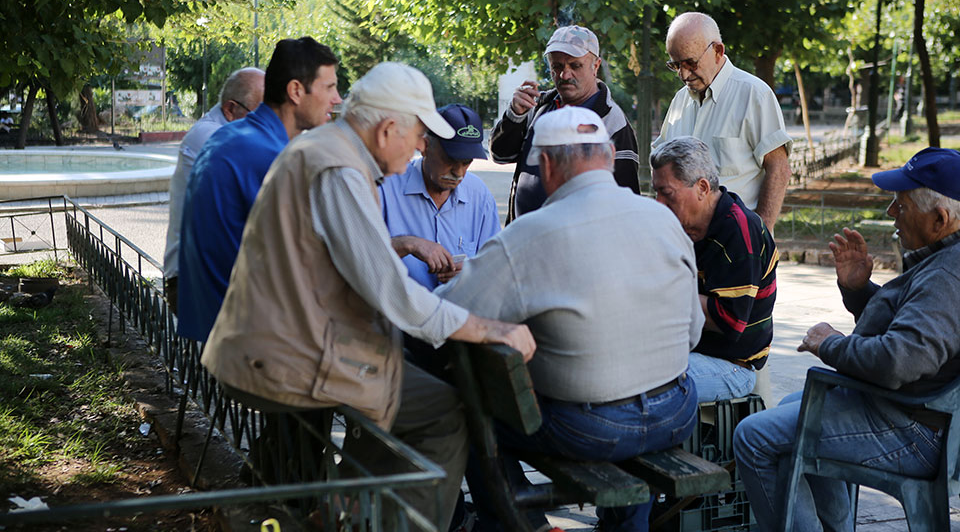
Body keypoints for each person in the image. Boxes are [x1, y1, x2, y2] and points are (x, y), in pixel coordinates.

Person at [200, 62, 536, 532]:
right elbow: (394, 294)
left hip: (282, 343)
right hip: (284, 355)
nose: (421, 147)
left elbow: (357, 266)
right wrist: (491, 329)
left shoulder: (330, 152)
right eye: (419, 135)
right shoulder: (339, 167)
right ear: (388, 129)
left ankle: (344, 513)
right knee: (443, 413)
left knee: (401, 385)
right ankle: (363, 516)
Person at [437, 106, 702, 532]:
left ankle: (520, 524)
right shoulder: (664, 221)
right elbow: (692, 334)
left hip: (589, 428)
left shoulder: (530, 234)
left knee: (467, 405)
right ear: (611, 156)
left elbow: (445, 311)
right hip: (676, 414)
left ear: (544, 165)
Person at [733, 147, 960, 531]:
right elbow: (916, 333)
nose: (891, 215)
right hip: (910, 412)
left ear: (939, 219)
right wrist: (859, 290)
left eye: (901, 206)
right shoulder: (942, 262)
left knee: (753, 437)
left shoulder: (946, 278)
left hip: (913, 429)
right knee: (793, 406)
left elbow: (898, 361)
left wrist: (831, 344)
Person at [177, 37, 341, 342]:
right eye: (330, 87)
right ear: (295, 91)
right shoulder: (268, 155)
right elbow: (314, 262)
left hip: (217, 324)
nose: (338, 99)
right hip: (251, 339)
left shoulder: (234, 135)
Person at [650, 137, 777, 402]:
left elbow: (730, 321)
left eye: (667, 193)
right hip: (687, 349)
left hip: (733, 365)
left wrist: (661, 292)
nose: (658, 204)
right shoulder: (680, 226)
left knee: (644, 384)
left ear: (702, 188)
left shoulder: (739, 230)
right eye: (656, 193)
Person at [380, 103, 500, 378]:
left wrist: (469, 273)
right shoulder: (387, 187)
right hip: (397, 330)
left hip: (456, 330)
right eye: (450, 158)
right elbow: (358, 257)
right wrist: (408, 244)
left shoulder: (479, 195)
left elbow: (493, 271)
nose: (458, 172)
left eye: (466, 163)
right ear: (425, 144)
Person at [654, 12, 792, 231]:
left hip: (738, 247)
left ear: (717, 51)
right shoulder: (680, 100)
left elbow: (779, 169)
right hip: (686, 244)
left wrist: (759, 236)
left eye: (690, 63)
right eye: (675, 65)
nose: (683, 74)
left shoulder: (754, 95)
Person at [490, 25, 640, 222]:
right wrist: (515, 115)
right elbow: (500, 155)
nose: (564, 75)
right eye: (557, 66)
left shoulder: (612, 121)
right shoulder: (537, 105)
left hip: (576, 246)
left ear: (596, 66)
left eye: (575, 66)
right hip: (524, 240)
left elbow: (625, 201)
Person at [162, 67, 264, 314]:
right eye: (260, 115)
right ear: (230, 109)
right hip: (192, 280)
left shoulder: (232, 132)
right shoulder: (211, 136)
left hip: (216, 273)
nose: (268, 123)